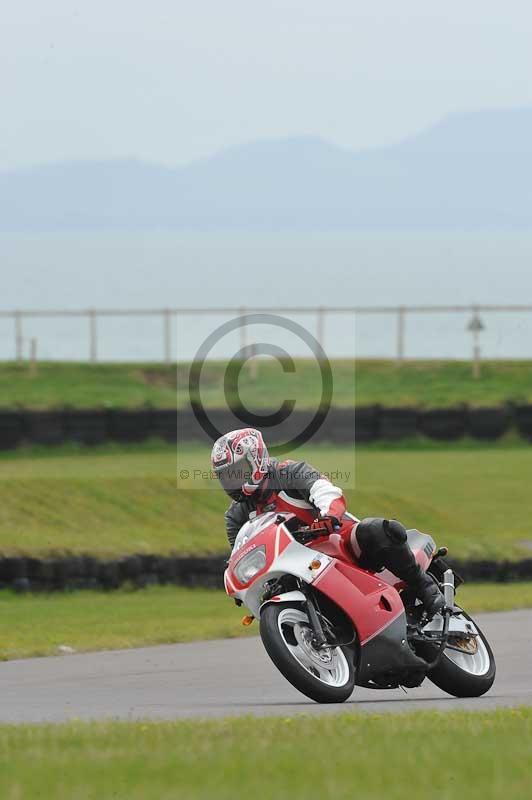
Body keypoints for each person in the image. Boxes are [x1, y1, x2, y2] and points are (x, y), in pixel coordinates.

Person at [211, 427, 444, 617]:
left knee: (377, 530)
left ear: (257, 460)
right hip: (293, 568)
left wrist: (328, 516)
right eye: (226, 476)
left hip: (336, 542)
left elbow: (325, 491)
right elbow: (240, 554)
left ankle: (424, 585)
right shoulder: (235, 516)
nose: (232, 481)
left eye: (238, 471)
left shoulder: (289, 472)